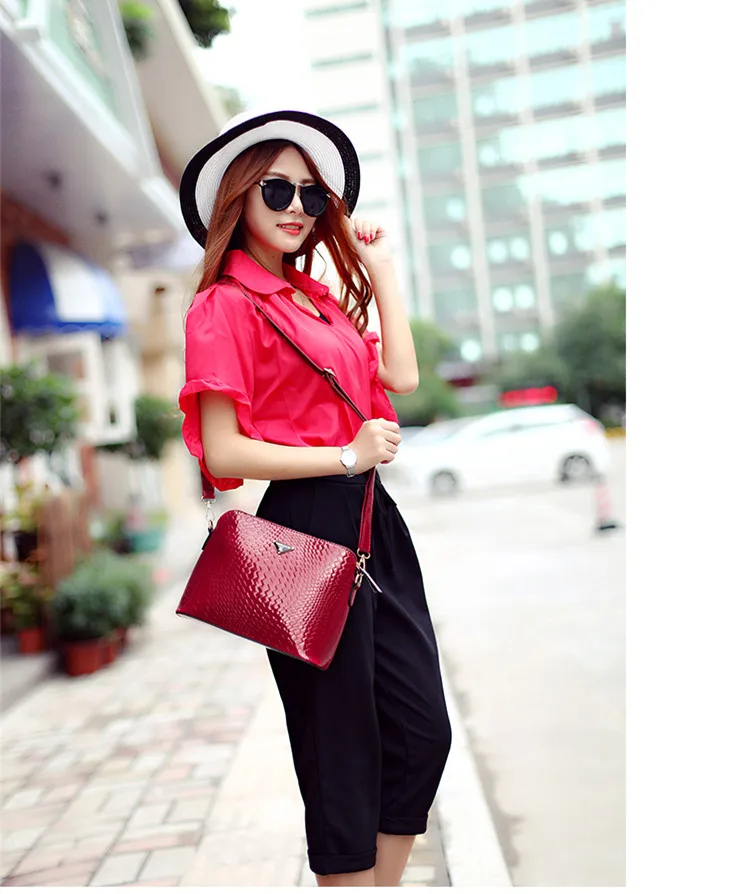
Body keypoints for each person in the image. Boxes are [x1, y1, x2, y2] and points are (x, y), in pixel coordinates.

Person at [178, 110, 452, 887]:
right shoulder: (225, 304)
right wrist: (343, 454)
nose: (296, 206)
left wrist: (382, 269)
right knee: (341, 755)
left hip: (373, 519)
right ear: (240, 197)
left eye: (311, 193)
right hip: (304, 527)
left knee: (421, 734)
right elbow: (224, 452)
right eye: (277, 189)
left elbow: (401, 377)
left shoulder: (317, 299)